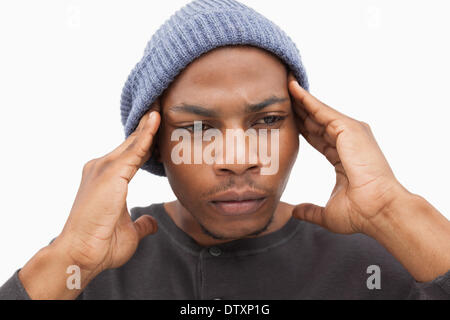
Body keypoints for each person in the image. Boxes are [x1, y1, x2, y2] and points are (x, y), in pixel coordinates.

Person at [1, 0, 449, 300]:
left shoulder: (383, 264)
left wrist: (393, 210)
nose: (237, 157)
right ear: (151, 142)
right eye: (197, 128)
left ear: (307, 129)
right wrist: (71, 258)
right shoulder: (86, 270)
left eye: (268, 121)